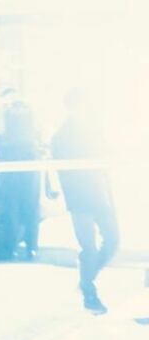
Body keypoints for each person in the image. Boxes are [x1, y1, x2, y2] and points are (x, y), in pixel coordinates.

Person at [51, 87, 119, 314]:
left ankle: (85, 279)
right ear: (73, 107)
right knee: (88, 247)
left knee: (112, 241)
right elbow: (59, 170)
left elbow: (107, 154)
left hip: (100, 193)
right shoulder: (61, 136)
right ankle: (89, 292)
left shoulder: (94, 128)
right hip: (79, 198)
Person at [0, 88, 41, 259]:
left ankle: (10, 248)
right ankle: (32, 247)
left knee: (10, 204)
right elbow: (41, 132)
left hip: (9, 161)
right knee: (31, 204)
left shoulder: (0, 107)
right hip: (31, 161)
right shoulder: (31, 106)